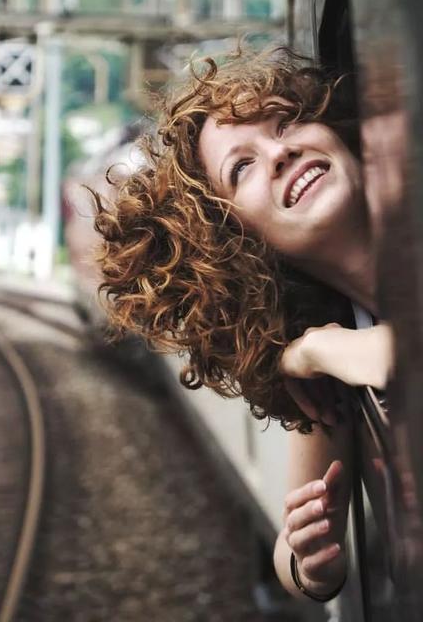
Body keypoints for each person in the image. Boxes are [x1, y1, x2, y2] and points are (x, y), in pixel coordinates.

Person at [92, 46, 394, 602]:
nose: (279, 151)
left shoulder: (327, 349)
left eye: (287, 121)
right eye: (242, 167)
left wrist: (314, 351)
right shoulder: (330, 348)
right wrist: (311, 563)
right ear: (234, 241)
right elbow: (290, 562)